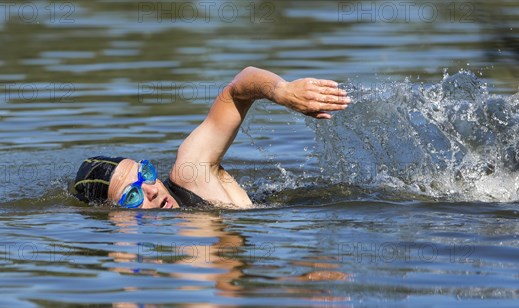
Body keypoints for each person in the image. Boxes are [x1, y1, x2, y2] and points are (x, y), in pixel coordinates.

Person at [73, 67, 351, 209]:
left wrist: (281, 91)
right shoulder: (183, 262)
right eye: (133, 195)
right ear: (113, 213)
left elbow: (237, 89)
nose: (152, 190)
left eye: (146, 174)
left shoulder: (191, 174)